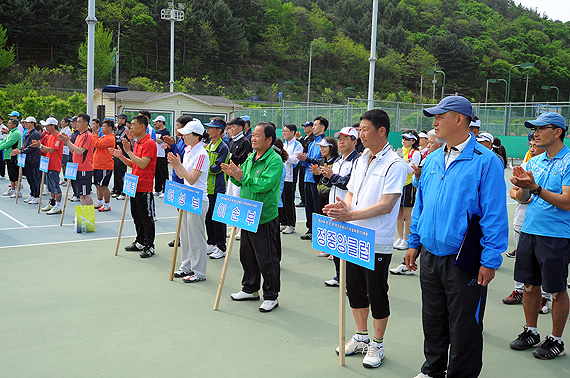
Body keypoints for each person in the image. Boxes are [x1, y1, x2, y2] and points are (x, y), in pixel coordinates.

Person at [405, 95, 508, 378]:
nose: (434, 122)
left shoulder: (485, 161)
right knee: (433, 318)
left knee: (465, 325)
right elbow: (421, 203)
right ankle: (433, 370)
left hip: (465, 259)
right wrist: (415, 241)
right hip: (430, 254)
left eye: (440, 116)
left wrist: (489, 259)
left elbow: (494, 215)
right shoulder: (434, 158)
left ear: (459, 120)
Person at [323, 109, 407, 369]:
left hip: (376, 239)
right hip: (352, 236)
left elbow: (386, 205)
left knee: (377, 292)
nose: (360, 133)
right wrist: (342, 210)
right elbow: (350, 193)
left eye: (365, 129)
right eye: (359, 129)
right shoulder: (361, 160)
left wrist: (350, 215)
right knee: (354, 289)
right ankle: (361, 337)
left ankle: (377, 345)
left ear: (382, 131)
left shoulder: (395, 164)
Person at [509, 112, 570, 360]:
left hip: (556, 236)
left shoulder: (568, 161)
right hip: (530, 231)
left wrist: (534, 187)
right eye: (534, 129)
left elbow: (566, 202)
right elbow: (524, 198)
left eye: (541, 128)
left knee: (556, 290)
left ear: (557, 132)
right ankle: (531, 331)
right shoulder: (534, 161)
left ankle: (556, 339)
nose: (535, 133)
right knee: (529, 285)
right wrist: (523, 189)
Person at [222, 122, 284, 313]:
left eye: (258, 135)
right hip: (246, 213)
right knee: (246, 255)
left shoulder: (274, 160)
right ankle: (250, 288)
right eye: (253, 135)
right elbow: (242, 180)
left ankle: (271, 295)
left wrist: (242, 178)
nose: (253, 138)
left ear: (269, 139)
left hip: (264, 216)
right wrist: (233, 175)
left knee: (267, 258)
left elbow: (263, 185)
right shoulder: (251, 157)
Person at [502, 134, 551, 314]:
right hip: (523, 221)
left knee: (544, 263)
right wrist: (522, 194)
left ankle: (545, 296)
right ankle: (520, 290)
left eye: (534, 145)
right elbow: (515, 193)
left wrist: (535, 190)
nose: (531, 147)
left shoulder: (557, 164)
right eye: (529, 144)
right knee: (523, 261)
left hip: (546, 225)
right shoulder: (528, 163)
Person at [167, 120, 210, 283]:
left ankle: (199, 272)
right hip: (187, 196)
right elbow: (182, 174)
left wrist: (178, 165)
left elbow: (192, 179)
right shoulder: (188, 151)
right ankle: (186, 266)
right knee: (184, 234)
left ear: (197, 136)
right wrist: (176, 165)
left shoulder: (201, 154)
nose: (183, 136)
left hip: (197, 198)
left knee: (196, 236)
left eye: (187, 134)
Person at [109, 114, 157, 258]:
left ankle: (149, 245)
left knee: (146, 217)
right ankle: (140, 241)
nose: (131, 127)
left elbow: (143, 163)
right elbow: (134, 163)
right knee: (136, 215)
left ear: (142, 126)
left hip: (144, 186)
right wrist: (121, 156)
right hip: (134, 185)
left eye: (134, 124)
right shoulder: (138, 143)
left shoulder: (149, 143)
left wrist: (128, 151)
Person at [321, 126, 360, 287]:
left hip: (348, 211)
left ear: (355, 141)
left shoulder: (358, 161)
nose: (341, 142)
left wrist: (332, 176)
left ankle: (350, 279)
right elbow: (330, 182)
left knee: (349, 245)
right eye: (339, 139)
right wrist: (325, 175)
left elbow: (349, 184)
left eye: (345, 138)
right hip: (334, 209)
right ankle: (339, 276)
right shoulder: (338, 160)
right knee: (337, 243)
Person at [163, 115, 193, 247]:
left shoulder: (187, 142)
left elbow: (181, 157)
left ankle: (185, 237)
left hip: (182, 179)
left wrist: (172, 145)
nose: (175, 128)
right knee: (179, 210)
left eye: (178, 126)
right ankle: (181, 236)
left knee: (185, 212)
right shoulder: (180, 139)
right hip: (176, 176)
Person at [298, 117, 327, 240]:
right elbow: (308, 162)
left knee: (317, 207)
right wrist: (303, 159)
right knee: (309, 206)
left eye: (315, 125)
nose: (313, 127)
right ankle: (310, 229)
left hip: (317, 180)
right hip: (307, 178)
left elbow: (321, 161)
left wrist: (307, 159)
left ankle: (319, 231)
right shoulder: (311, 144)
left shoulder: (324, 143)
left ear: (322, 127)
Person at [204, 118, 229, 259]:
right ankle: (211, 242)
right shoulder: (208, 146)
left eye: (211, 128)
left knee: (218, 218)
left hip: (217, 187)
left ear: (219, 131)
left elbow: (216, 168)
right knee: (208, 217)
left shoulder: (223, 147)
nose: (208, 130)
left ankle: (221, 246)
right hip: (207, 187)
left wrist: (203, 167)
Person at [309, 136, 339, 257]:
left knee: (333, 221)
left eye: (324, 147)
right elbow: (318, 179)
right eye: (320, 147)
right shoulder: (321, 161)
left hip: (332, 195)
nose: (321, 149)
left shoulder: (337, 161)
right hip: (320, 193)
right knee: (323, 220)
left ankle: (335, 249)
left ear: (331, 147)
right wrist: (317, 174)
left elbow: (333, 179)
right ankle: (327, 247)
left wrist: (323, 174)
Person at [225, 117, 253, 241]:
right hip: (231, 176)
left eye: (234, 127)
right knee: (232, 200)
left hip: (239, 176)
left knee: (239, 201)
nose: (231, 129)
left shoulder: (245, 141)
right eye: (230, 127)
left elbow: (242, 159)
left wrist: (230, 157)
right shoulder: (232, 142)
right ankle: (234, 227)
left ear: (241, 128)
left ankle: (242, 229)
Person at [58, 113, 94, 206]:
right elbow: (74, 151)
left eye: (79, 122)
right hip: (78, 168)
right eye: (76, 122)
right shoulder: (79, 135)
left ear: (85, 124)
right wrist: (66, 142)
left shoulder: (87, 135)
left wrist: (67, 141)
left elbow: (80, 151)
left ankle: (87, 217)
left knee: (86, 194)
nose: (76, 124)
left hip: (84, 169)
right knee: (81, 194)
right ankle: (83, 215)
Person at [394, 130, 421, 251]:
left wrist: (401, 160)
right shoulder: (399, 151)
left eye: (407, 138)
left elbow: (411, 170)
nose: (404, 140)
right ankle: (399, 238)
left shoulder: (415, 153)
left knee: (406, 215)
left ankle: (406, 239)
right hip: (398, 184)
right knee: (398, 214)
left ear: (413, 141)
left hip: (408, 185)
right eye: (403, 137)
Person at [32, 117, 63, 214]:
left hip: (54, 164)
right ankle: (52, 203)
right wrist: (39, 146)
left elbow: (52, 150)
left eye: (47, 126)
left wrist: (40, 146)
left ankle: (58, 206)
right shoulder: (50, 136)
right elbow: (46, 150)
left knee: (55, 186)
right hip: (48, 164)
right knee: (50, 186)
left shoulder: (58, 136)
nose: (45, 128)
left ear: (53, 126)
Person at [280, 123, 303, 234]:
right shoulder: (283, 145)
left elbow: (295, 159)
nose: (284, 133)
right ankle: (283, 222)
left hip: (290, 177)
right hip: (281, 177)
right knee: (282, 200)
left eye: (286, 131)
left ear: (293, 132)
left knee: (289, 201)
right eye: (283, 131)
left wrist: (284, 156)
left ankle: (291, 224)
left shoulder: (297, 145)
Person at [92, 119, 115, 212]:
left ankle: (107, 204)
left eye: (104, 126)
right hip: (97, 165)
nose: (102, 128)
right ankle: (99, 201)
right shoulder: (103, 137)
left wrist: (94, 134)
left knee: (104, 186)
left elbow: (96, 144)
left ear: (110, 128)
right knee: (98, 185)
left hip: (105, 165)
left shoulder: (110, 138)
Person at [0, 118, 22, 197]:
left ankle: (18, 191)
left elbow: (8, 143)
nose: (8, 125)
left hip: (13, 156)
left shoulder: (16, 133)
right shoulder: (10, 132)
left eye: (9, 123)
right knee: (10, 174)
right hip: (8, 155)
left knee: (15, 174)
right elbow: (4, 141)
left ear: (14, 125)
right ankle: (12, 189)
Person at [296, 121, 314, 207]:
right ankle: (303, 199)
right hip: (302, 162)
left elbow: (306, 146)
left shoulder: (312, 138)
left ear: (312, 127)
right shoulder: (305, 137)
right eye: (304, 126)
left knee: (305, 182)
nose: (305, 128)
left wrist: (300, 139)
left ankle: (305, 200)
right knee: (301, 182)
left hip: (307, 162)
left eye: (307, 126)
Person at [112, 113, 129, 200]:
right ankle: (116, 189)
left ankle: (122, 191)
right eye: (118, 118)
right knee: (116, 172)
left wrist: (114, 137)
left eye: (120, 118)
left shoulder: (125, 129)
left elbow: (119, 139)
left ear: (124, 120)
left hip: (123, 153)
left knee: (122, 172)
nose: (118, 120)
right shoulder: (117, 128)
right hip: (117, 152)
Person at [153, 115, 170, 197]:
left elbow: (160, 141)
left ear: (161, 122)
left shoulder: (166, 131)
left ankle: (165, 190)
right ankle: (157, 189)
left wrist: (153, 137)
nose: (156, 123)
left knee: (164, 173)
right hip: (156, 154)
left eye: (157, 121)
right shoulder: (157, 131)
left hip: (163, 155)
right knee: (157, 173)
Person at [59, 117, 72, 186]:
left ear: (67, 123)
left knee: (65, 165)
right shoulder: (62, 129)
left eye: (63, 121)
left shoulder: (68, 130)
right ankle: (65, 179)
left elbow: (66, 141)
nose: (62, 123)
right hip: (62, 149)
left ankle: (67, 179)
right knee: (62, 165)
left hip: (66, 150)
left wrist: (60, 142)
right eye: (61, 121)